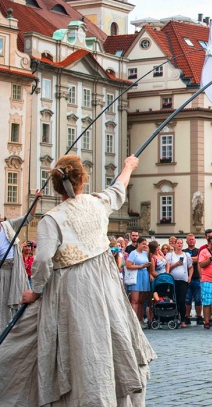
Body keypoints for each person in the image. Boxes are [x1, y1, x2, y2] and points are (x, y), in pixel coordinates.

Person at [0, 155, 154, 406]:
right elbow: (118, 189)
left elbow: (42, 262)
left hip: (71, 290)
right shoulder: (97, 202)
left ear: (56, 186)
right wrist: (129, 166)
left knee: (77, 344)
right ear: (83, 179)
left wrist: (36, 292)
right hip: (106, 288)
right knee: (109, 340)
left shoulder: (52, 219)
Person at [0, 191, 42, 329]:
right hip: (2, 272)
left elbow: (28, 217)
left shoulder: (8, 225)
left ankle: (14, 328)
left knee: (16, 300)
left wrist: (35, 200)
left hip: (14, 270)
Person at [166, 238, 193, 328]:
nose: (179, 245)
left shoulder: (186, 255)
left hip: (183, 280)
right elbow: (167, 268)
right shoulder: (170, 255)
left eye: (181, 243)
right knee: (174, 300)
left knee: (182, 300)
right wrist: (175, 264)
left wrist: (189, 277)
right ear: (175, 244)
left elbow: (190, 267)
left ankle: (183, 320)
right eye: (178, 243)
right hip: (172, 280)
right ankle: (174, 317)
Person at [126, 238, 152, 327]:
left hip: (144, 275)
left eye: (146, 244)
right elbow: (128, 265)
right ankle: (134, 321)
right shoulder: (133, 253)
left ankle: (140, 319)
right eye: (143, 244)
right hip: (136, 275)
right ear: (138, 244)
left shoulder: (146, 253)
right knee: (135, 300)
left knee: (141, 300)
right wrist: (141, 266)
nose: (145, 245)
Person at [185, 232, 204, 326]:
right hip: (186, 278)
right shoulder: (184, 251)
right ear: (186, 241)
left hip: (197, 277)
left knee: (198, 299)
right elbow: (184, 260)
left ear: (195, 241)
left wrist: (188, 259)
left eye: (193, 239)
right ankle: (187, 316)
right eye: (190, 239)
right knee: (187, 299)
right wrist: (194, 259)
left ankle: (199, 316)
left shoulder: (199, 250)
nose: (191, 241)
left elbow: (199, 259)